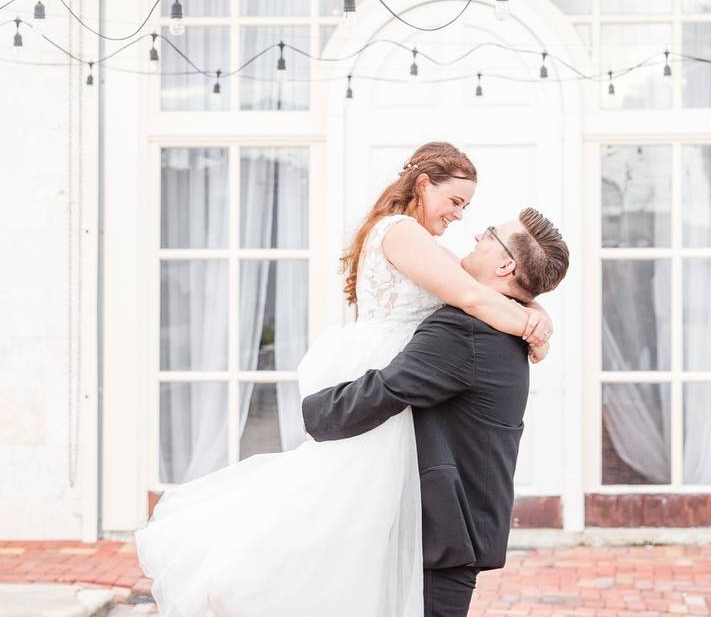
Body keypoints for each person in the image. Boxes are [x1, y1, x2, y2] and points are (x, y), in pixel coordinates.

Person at [135, 142, 555, 617]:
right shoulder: (403, 233)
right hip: (384, 374)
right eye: (456, 202)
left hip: (399, 387)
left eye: (472, 214)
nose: (463, 219)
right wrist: (533, 324)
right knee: (338, 515)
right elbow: (471, 293)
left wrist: (534, 311)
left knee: (351, 525)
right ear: (423, 184)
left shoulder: (451, 295)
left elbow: (477, 293)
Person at [302, 208, 570, 617]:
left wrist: (311, 412)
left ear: (505, 264)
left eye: (488, 234)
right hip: (456, 527)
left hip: (446, 532)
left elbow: (388, 389)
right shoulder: (504, 324)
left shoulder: (466, 330)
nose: (476, 236)